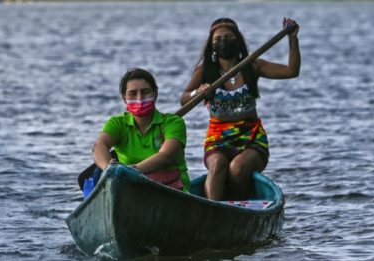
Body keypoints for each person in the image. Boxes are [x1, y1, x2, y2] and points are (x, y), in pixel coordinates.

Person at [180, 17, 300, 200]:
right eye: (217, 40)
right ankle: (214, 211)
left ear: (237, 41)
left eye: (228, 37)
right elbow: (184, 99)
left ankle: (238, 208)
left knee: (237, 168)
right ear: (212, 47)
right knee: (218, 165)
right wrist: (198, 91)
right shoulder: (205, 71)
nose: (223, 42)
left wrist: (292, 39)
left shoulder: (252, 66)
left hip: (251, 136)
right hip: (218, 137)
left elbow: (292, 71)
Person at [85, 68, 190, 195]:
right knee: (98, 173)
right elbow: (98, 146)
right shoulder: (117, 123)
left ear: (155, 95)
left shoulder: (173, 123)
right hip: (131, 187)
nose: (139, 98)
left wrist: (130, 171)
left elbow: (165, 156)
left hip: (172, 189)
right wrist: (109, 168)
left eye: (145, 92)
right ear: (124, 98)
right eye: (133, 94)